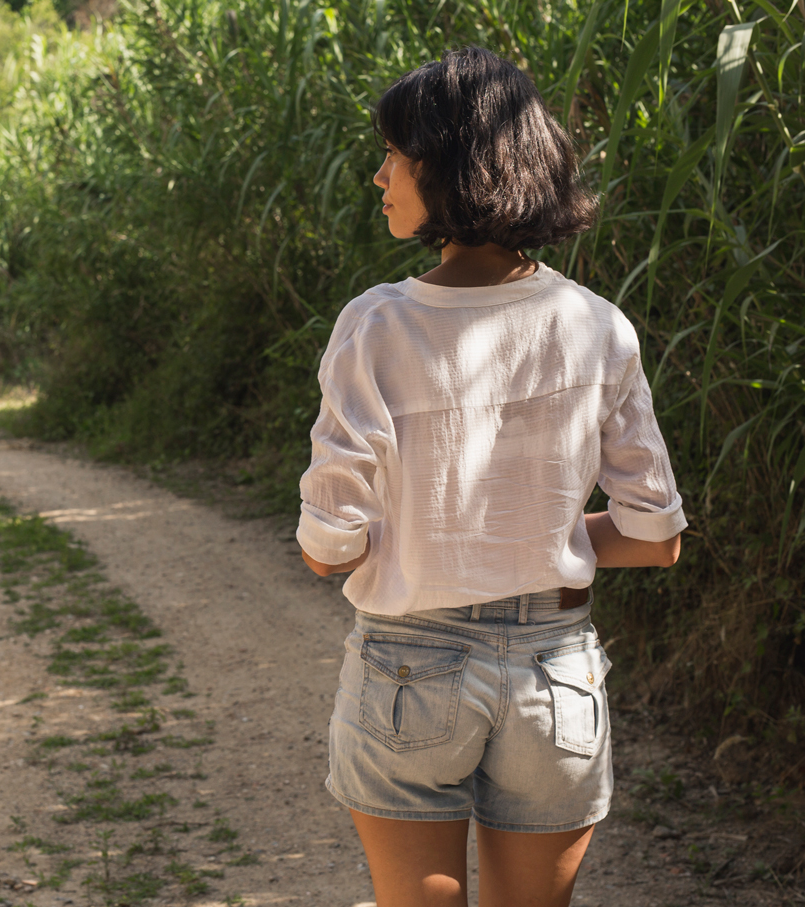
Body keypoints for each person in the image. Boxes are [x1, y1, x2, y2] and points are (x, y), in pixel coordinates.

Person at [296, 47, 686, 907]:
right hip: (558, 674)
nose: (378, 174)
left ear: (441, 165)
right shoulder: (598, 327)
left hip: (409, 667)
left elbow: (330, 545)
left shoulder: (378, 326)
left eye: (393, 154)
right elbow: (656, 536)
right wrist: (535, 539)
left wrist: (429, 539)